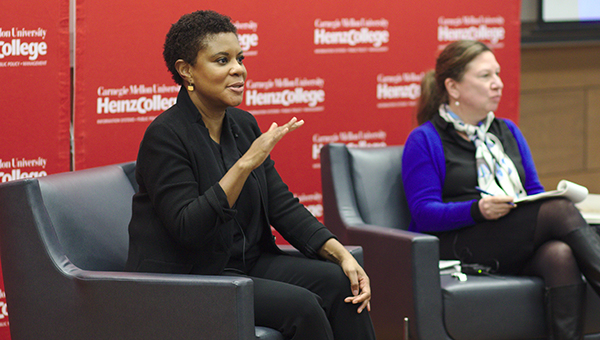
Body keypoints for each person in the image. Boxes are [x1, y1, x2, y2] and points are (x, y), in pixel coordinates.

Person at [124, 10, 376, 340]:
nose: (238, 69)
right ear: (187, 71)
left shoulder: (243, 125)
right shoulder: (165, 136)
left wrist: (342, 254)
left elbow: (282, 205)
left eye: (240, 58)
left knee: (342, 283)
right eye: (221, 60)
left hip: (248, 263)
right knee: (303, 306)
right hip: (192, 277)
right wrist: (244, 166)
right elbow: (188, 227)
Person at [403, 40, 600, 339]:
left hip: (510, 237)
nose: (498, 84)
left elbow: (532, 191)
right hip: (457, 243)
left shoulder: (507, 131)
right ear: (453, 88)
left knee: (560, 254)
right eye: (485, 76)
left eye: (497, 74)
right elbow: (423, 214)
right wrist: (477, 209)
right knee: (558, 211)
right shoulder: (424, 139)